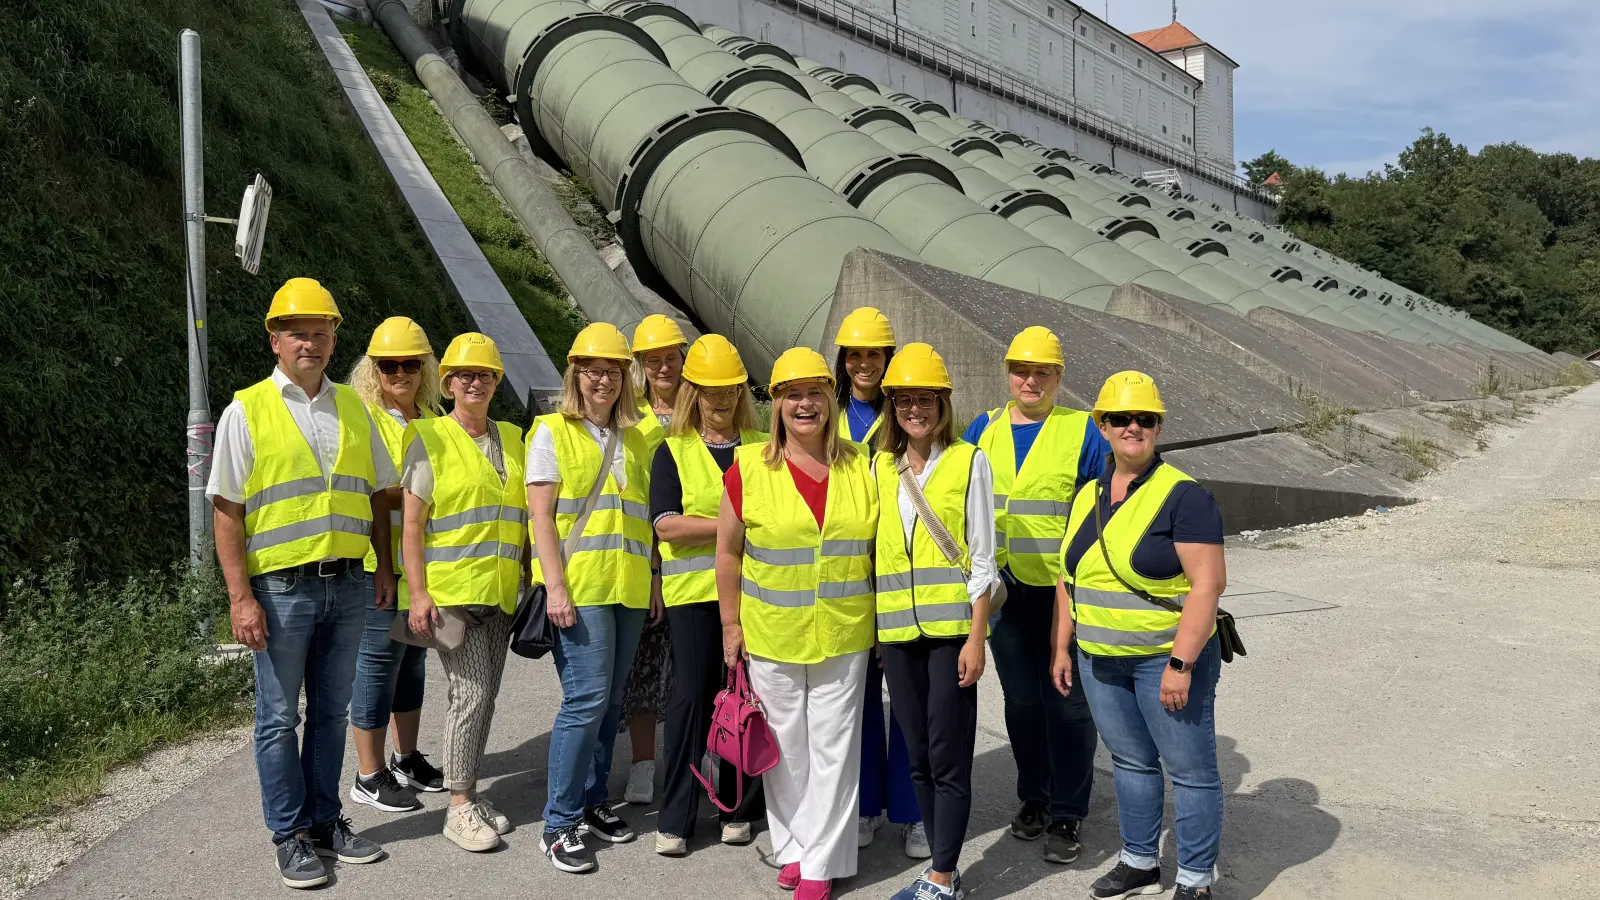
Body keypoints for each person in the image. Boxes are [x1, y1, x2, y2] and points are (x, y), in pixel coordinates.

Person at [207, 278, 395, 889]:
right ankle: (288, 835)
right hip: (281, 590)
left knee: (331, 715)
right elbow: (226, 510)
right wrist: (240, 598)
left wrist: (385, 567)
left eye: (320, 332)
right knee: (278, 715)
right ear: (275, 341)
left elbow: (375, 498)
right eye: (297, 333)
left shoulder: (353, 410)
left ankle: (324, 822)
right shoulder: (247, 410)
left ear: (334, 341)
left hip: (346, 586)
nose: (309, 342)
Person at [1052, 372, 1227, 900]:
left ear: (1157, 427)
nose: (1133, 428)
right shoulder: (1089, 494)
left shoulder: (1184, 495)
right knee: (1129, 762)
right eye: (1121, 419)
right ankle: (1139, 863)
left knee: (1191, 772)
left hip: (1163, 660)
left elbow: (1207, 585)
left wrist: (1181, 664)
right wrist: (1062, 645)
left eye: (1145, 420)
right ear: (1101, 427)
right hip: (1100, 659)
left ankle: (1195, 879)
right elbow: (1069, 578)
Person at [717, 347, 878, 900]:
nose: (804, 404)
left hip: (845, 630)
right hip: (770, 633)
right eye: (792, 394)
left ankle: (820, 866)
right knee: (784, 750)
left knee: (834, 748)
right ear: (776, 403)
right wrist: (730, 626)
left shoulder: (864, 467)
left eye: (814, 393)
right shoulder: (748, 471)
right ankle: (793, 847)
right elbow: (728, 553)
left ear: (830, 401)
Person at [960, 325, 1108, 865]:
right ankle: (1034, 798)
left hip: (1063, 592)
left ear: (1058, 377)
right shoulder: (983, 428)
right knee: (1022, 701)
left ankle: (1068, 813)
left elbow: (1101, 514)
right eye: (1021, 369)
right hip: (1004, 592)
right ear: (1008, 372)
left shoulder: (1083, 431)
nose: (1030, 379)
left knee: (1066, 704)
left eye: (1042, 371)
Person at [871, 344, 997, 900]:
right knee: (917, 755)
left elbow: (984, 559)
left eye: (925, 399)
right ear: (892, 405)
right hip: (898, 636)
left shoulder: (970, 461)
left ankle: (944, 874)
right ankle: (940, 871)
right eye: (904, 400)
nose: (914, 410)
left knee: (948, 756)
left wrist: (977, 637)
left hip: (951, 637)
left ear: (942, 404)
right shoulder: (878, 466)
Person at [530, 323, 653, 874]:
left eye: (613, 371)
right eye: (593, 369)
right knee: (584, 700)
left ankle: (592, 800)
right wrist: (554, 585)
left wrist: (651, 581)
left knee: (611, 703)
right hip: (580, 589)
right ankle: (558, 823)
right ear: (575, 374)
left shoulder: (637, 437)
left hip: (626, 587)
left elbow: (643, 519)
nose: (603, 379)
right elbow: (541, 519)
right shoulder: (550, 432)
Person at [398, 332, 526, 853]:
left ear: (497, 381)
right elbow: (411, 525)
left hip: (501, 594)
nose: (476, 382)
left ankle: (467, 792)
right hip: (453, 595)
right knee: (468, 696)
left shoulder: (514, 438)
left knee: (486, 695)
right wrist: (418, 592)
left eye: (486, 375)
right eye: (465, 375)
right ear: (448, 382)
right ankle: (458, 807)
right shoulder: (429, 437)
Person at [651, 334, 767, 855]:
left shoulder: (763, 446)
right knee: (692, 700)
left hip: (758, 596)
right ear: (691, 391)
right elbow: (667, 528)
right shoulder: (671, 451)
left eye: (729, 389)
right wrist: (732, 524)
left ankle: (737, 808)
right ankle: (676, 817)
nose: (720, 399)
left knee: (745, 699)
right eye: (709, 390)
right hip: (694, 596)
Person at [345, 317, 446, 814]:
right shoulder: (364, 417)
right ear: (374, 369)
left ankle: (406, 758)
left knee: (413, 662)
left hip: (424, 565)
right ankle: (368, 773)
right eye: (389, 366)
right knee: (377, 664)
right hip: (377, 564)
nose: (400, 373)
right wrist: (411, 498)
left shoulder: (431, 417)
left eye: (410, 364)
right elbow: (370, 493)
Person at [832, 307, 924, 857]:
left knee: (908, 700)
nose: (865, 364)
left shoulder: (912, 413)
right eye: (856, 354)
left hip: (899, 573)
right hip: (846, 576)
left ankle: (913, 812)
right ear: (842, 361)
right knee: (858, 700)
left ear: (890, 358)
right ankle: (865, 806)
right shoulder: (829, 415)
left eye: (875, 353)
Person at [621, 314, 688, 805]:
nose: (663, 366)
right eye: (653, 360)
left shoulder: (702, 408)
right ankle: (643, 765)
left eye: (670, 357)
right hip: (648, 555)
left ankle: (701, 758)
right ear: (641, 366)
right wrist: (652, 572)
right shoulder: (628, 420)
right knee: (644, 670)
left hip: (700, 559)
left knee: (695, 672)